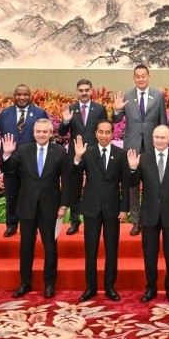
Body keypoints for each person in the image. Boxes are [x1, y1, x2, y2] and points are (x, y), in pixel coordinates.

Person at [71, 120, 140, 303]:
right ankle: (90, 287)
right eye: (100, 131)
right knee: (90, 249)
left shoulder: (120, 154)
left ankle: (110, 286)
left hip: (112, 209)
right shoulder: (88, 153)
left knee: (111, 250)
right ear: (95, 133)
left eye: (107, 132)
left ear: (112, 134)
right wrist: (77, 159)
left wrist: (125, 208)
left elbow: (126, 184)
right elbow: (75, 177)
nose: (103, 135)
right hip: (91, 208)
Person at [0, 119, 70, 298]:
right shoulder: (23, 150)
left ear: (51, 133)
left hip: (51, 208)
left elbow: (67, 181)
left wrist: (64, 205)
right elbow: (8, 170)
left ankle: (49, 284)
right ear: (33, 133)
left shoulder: (60, 152)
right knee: (26, 246)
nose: (41, 135)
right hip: (27, 206)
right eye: (38, 131)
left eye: (45, 132)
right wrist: (7, 155)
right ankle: (25, 283)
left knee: (50, 247)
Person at [0, 83, 48, 237]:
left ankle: (34, 224)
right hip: (10, 160)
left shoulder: (39, 113)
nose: (22, 97)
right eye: (18, 94)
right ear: (14, 96)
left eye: (25, 94)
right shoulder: (5, 113)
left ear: (30, 96)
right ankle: (12, 224)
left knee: (33, 194)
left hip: (32, 162)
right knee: (11, 193)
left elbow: (46, 135)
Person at [111, 64, 167, 237]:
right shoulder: (127, 95)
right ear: (134, 78)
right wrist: (116, 109)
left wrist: (163, 141)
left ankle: (152, 219)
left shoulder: (158, 95)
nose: (141, 79)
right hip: (132, 147)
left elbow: (163, 121)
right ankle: (136, 221)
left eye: (144, 76)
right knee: (132, 186)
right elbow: (116, 120)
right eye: (137, 76)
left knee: (153, 183)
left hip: (153, 147)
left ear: (148, 77)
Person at [137, 125, 169, 304]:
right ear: (152, 138)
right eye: (156, 137)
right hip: (149, 214)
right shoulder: (143, 158)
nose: (159, 140)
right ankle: (151, 287)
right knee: (149, 254)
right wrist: (132, 168)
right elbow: (133, 183)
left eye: (163, 137)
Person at [58, 78, 110, 235]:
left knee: (94, 186)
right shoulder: (71, 109)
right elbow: (61, 133)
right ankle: (74, 220)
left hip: (95, 154)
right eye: (81, 90)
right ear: (77, 92)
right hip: (76, 154)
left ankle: (93, 217)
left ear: (91, 91)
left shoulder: (100, 109)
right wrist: (65, 122)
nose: (84, 93)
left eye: (87, 90)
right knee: (74, 187)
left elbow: (104, 129)